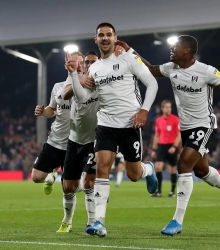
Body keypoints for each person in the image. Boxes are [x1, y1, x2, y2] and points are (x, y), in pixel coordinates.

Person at [115, 35, 220, 235]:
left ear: (187, 51)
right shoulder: (172, 68)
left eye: (175, 46)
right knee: (201, 171)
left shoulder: (206, 71)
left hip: (204, 125)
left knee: (183, 164)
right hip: (186, 128)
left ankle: (177, 221)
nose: (171, 49)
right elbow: (151, 69)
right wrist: (130, 50)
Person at [65, 22, 159, 237]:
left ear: (116, 38)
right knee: (102, 168)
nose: (105, 38)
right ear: (96, 39)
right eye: (101, 35)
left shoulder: (127, 58)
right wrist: (73, 75)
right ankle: (99, 222)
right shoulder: (95, 68)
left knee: (133, 174)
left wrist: (144, 110)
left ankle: (149, 170)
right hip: (106, 124)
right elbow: (82, 98)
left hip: (130, 124)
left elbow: (152, 83)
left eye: (109, 35)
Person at [56, 51, 99, 233]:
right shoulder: (77, 79)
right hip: (73, 141)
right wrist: (78, 80)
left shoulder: (105, 81)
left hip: (94, 141)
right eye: (86, 62)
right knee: (68, 187)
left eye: (92, 62)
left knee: (89, 183)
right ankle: (67, 220)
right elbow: (64, 94)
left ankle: (92, 222)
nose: (88, 64)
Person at [32, 72, 72, 195]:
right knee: (36, 177)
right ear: (66, 65)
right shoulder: (58, 87)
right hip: (55, 140)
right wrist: (43, 111)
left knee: (69, 187)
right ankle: (51, 176)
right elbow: (52, 110)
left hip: (74, 143)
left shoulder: (89, 87)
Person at [151, 100, 181, 197]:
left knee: (172, 170)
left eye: (170, 107)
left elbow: (179, 135)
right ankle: (159, 191)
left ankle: (172, 192)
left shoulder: (175, 119)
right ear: (162, 108)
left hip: (172, 146)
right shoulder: (158, 120)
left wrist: (174, 147)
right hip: (162, 146)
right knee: (158, 167)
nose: (169, 109)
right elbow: (157, 135)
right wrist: (154, 149)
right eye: (167, 107)